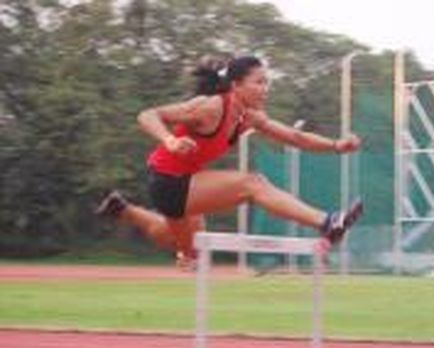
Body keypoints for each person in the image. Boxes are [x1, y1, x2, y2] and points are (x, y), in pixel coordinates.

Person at [96, 55, 363, 268]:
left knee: (189, 247)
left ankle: (125, 211)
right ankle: (328, 222)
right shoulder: (210, 107)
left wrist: (336, 145)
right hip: (169, 181)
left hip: (186, 185)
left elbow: (295, 136)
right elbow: (148, 115)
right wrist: (170, 141)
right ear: (236, 85)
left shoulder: (250, 117)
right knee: (253, 183)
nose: (265, 89)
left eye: (267, 82)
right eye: (259, 82)